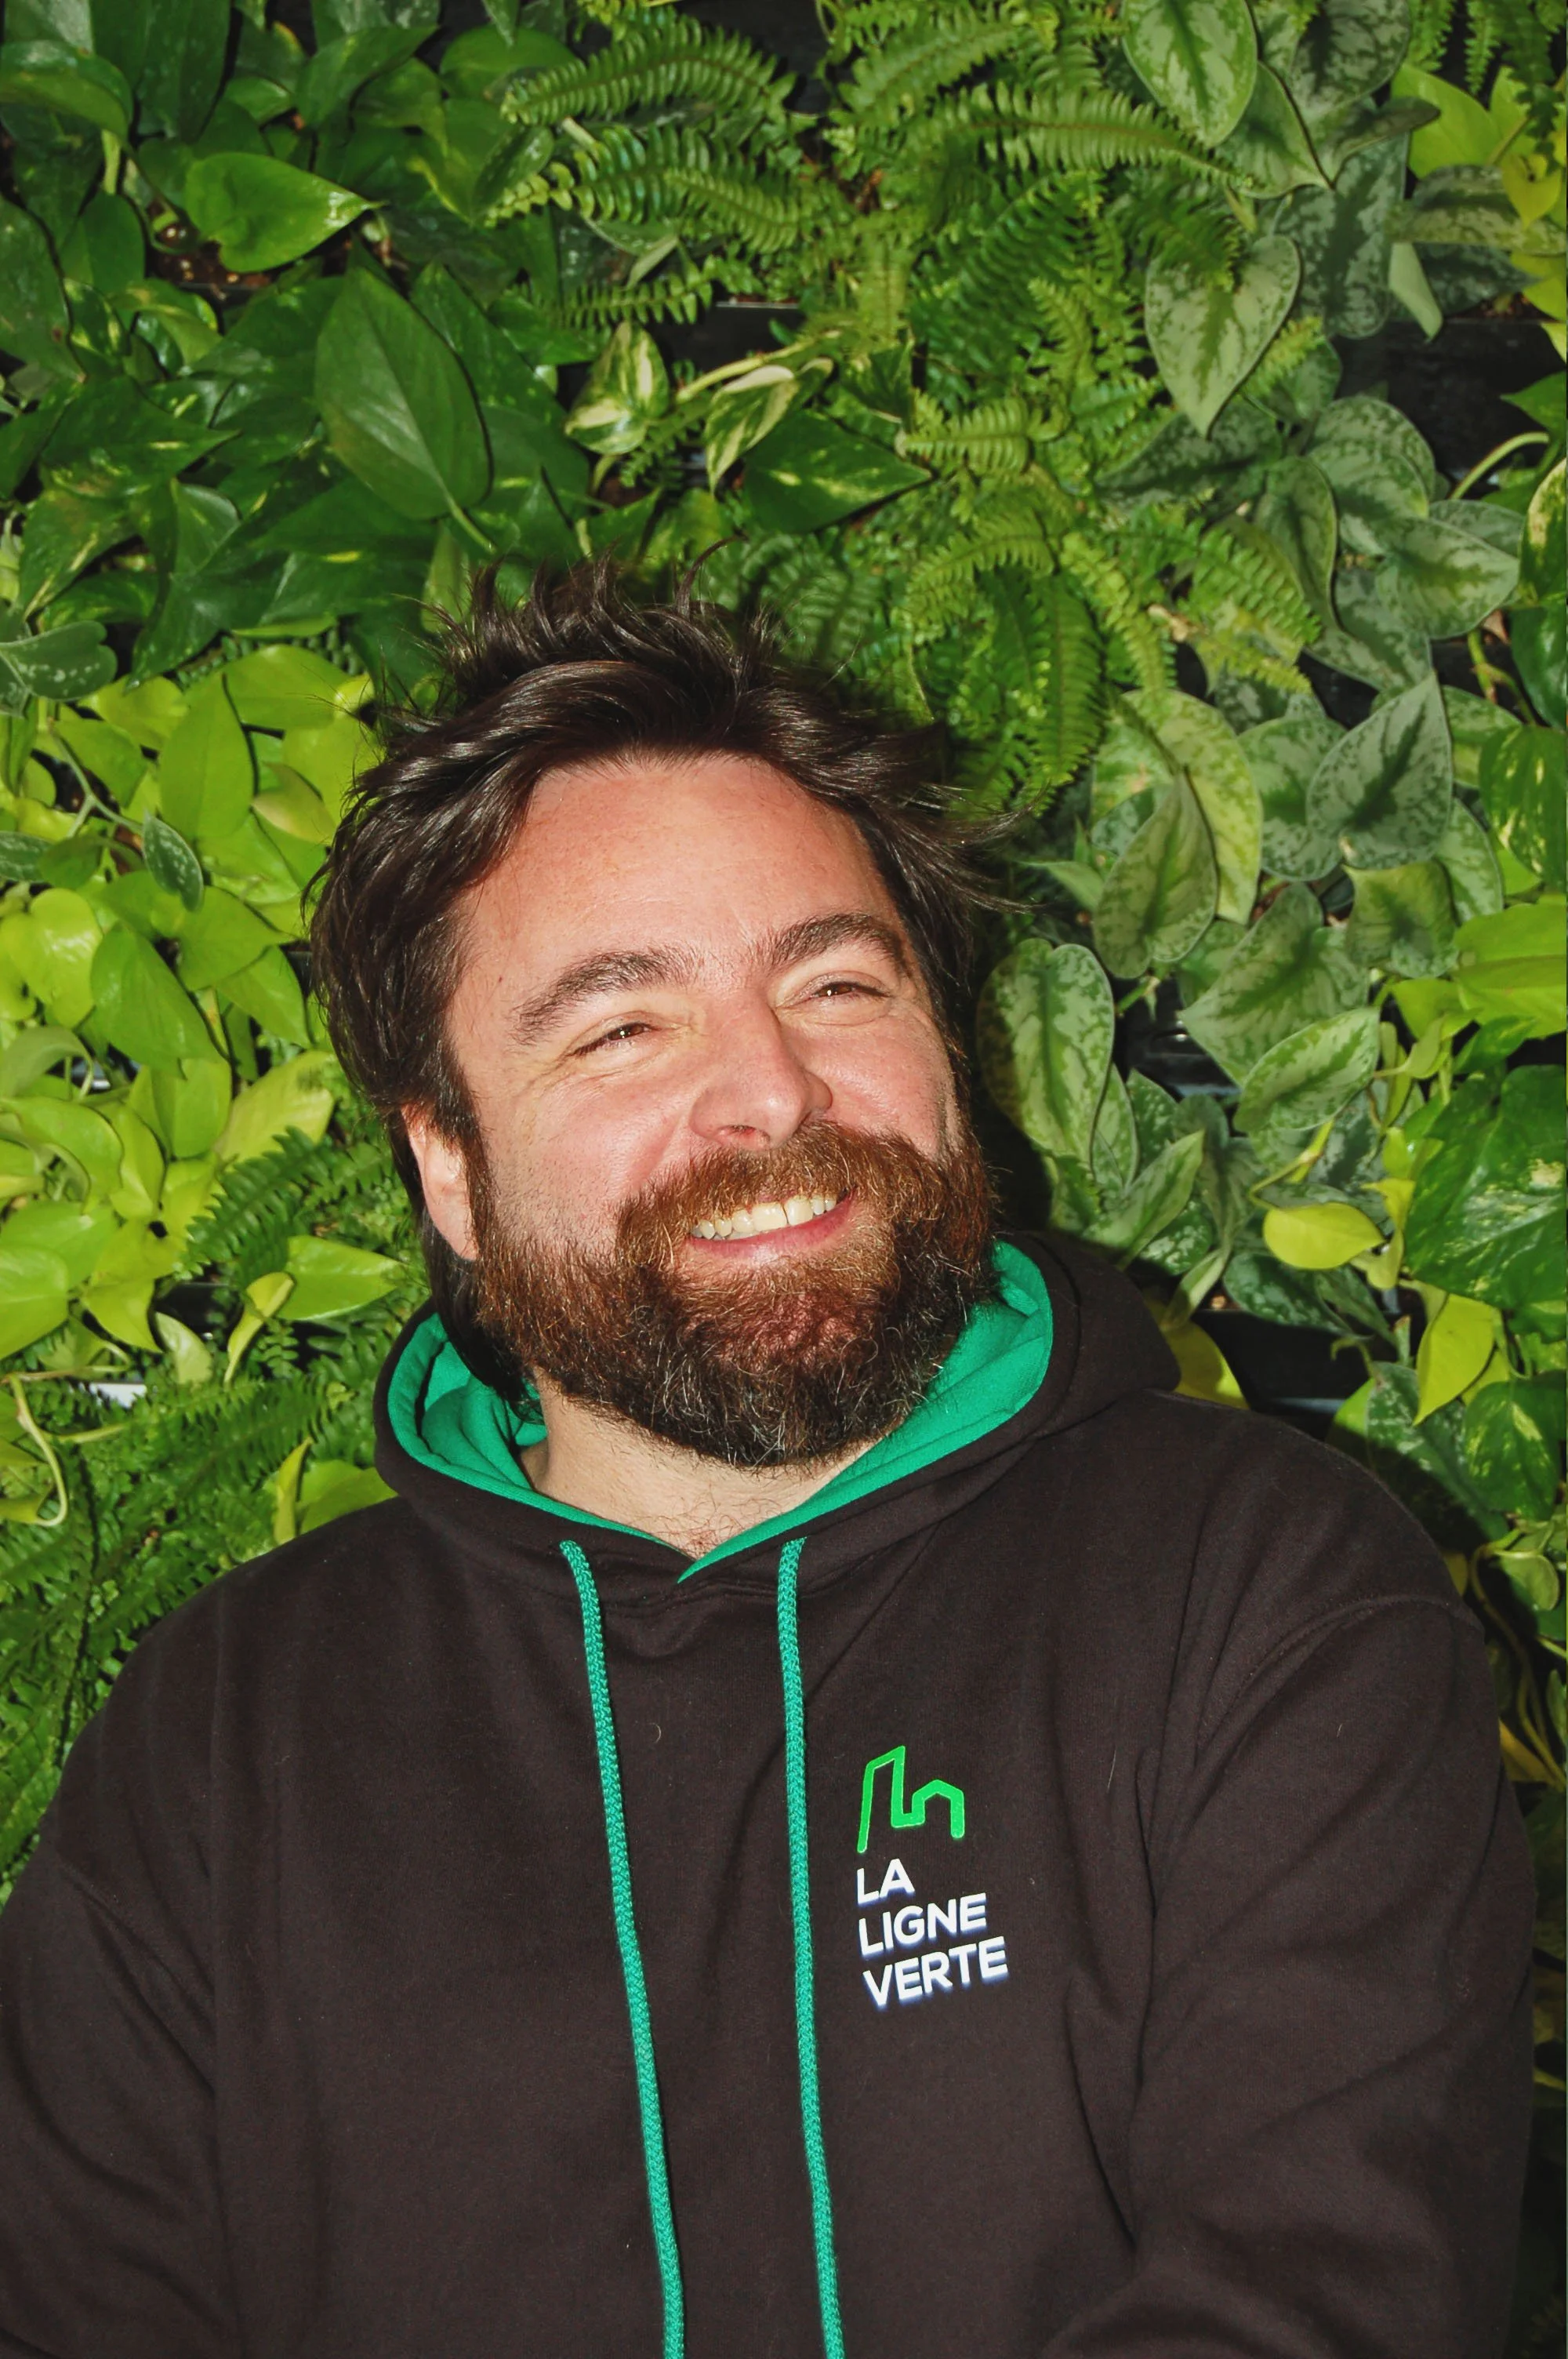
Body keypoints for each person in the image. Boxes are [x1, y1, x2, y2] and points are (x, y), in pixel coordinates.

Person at [0, 565, 1534, 2359]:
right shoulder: (222, 1743)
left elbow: (1322, 2299)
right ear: (449, 1171)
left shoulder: (1261, 1595)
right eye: (623, 1026)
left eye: (838, 983)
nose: (776, 1093)